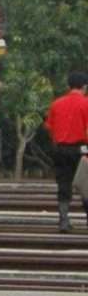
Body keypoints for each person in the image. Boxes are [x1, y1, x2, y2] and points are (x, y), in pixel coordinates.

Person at [50, 72, 88, 234]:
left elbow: (50, 127)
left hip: (60, 149)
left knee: (63, 184)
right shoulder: (86, 103)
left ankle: (64, 221)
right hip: (81, 150)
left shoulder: (56, 104)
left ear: (68, 86)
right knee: (86, 185)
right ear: (84, 86)